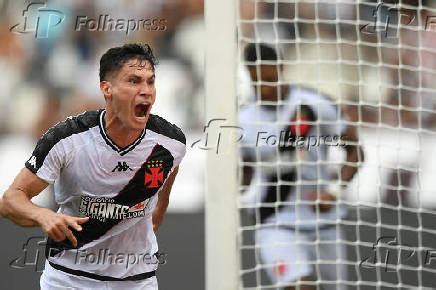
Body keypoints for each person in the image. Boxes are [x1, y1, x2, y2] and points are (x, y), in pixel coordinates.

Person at [0, 43, 186, 290]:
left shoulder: (171, 142)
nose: (146, 91)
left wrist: (161, 206)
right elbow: (11, 200)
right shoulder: (67, 139)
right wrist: (42, 215)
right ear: (106, 89)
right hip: (68, 279)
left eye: (150, 82)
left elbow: (170, 170)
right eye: (133, 81)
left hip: (137, 282)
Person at [240, 43, 364, 290]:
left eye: (269, 79)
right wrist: (234, 191)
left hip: (323, 223)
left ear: (281, 68)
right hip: (276, 223)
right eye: (257, 82)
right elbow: (246, 172)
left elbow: (355, 151)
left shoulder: (314, 104)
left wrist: (334, 191)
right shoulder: (243, 120)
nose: (264, 88)